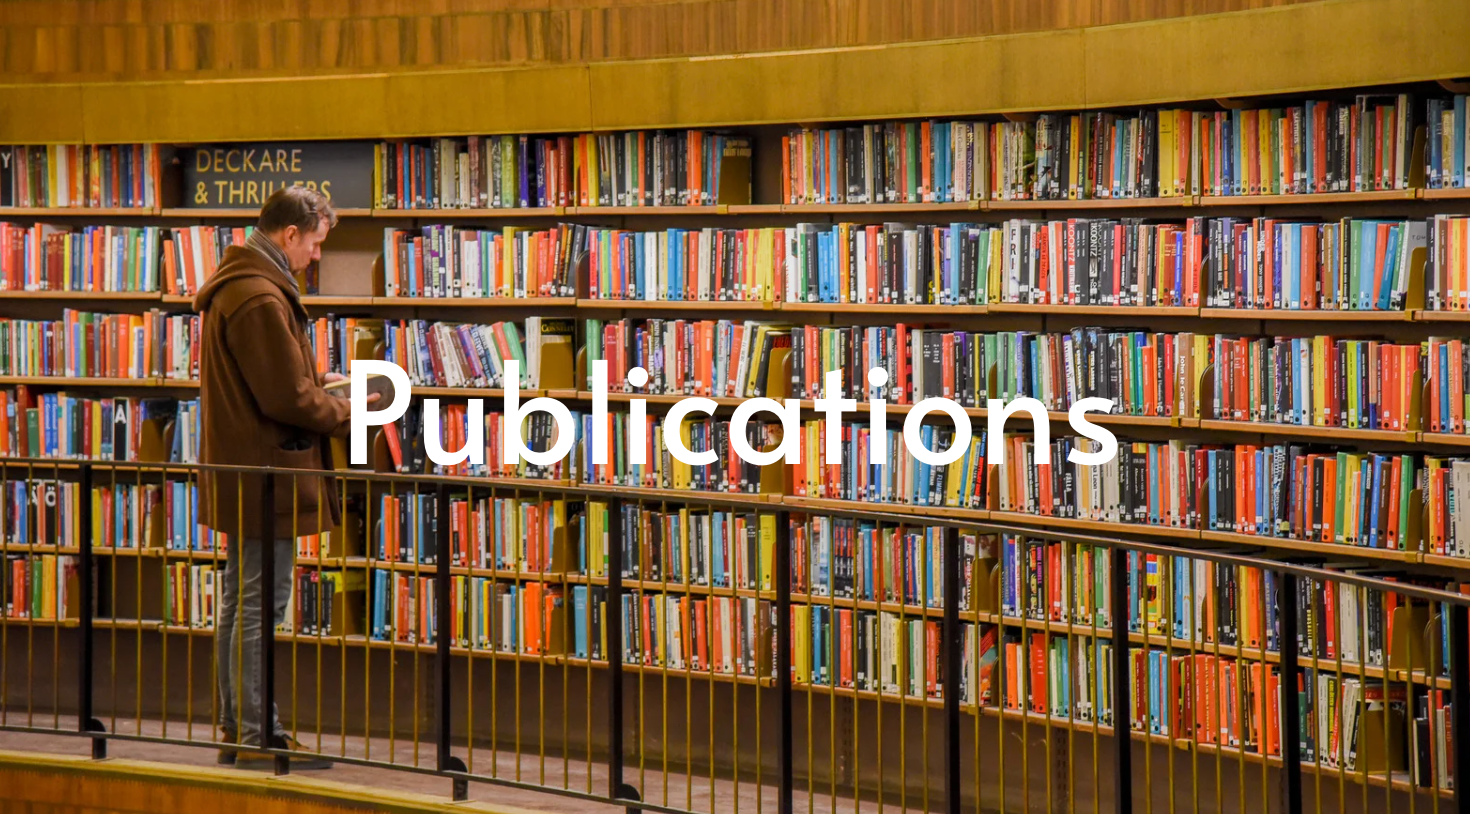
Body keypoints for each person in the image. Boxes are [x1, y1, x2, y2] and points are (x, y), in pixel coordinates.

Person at [194, 186, 372, 770]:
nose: (316, 256)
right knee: (258, 606)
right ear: (290, 233)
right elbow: (286, 398)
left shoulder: (244, 285)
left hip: (247, 468)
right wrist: (347, 409)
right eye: (315, 244)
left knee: (240, 601)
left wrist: (321, 385)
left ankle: (238, 727)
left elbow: (279, 381)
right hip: (265, 473)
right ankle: (256, 737)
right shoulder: (259, 297)